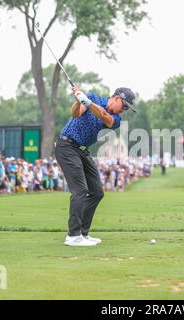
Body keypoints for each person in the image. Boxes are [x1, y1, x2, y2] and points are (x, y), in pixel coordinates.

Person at [55, 86, 136, 246]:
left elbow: (104, 116)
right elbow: (75, 113)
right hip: (67, 146)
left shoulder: (117, 119)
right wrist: (79, 100)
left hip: (82, 151)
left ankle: (83, 234)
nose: (125, 110)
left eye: (127, 108)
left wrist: (88, 102)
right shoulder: (94, 97)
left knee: (97, 192)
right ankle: (73, 236)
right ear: (117, 98)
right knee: (80, 190)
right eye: (125, 106)